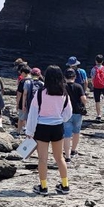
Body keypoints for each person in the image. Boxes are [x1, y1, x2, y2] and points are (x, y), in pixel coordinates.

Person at [25, 65, 72, 195]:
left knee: (42, 159)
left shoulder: (40, 93)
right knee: (60, 158)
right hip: (57, 127)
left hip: (42, 128)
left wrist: (29, 132)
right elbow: (68, 113)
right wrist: (59, 119)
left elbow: (33, 114)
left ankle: (44, 187)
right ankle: (65, 185)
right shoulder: (64, 94)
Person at [63, 68, 88, 162]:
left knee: (67, 134)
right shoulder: (78, 86)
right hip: (77, 112)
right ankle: (73, 150)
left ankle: (67, 155)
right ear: (75, 77)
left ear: (64, 77)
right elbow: (84, 99)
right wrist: (83, 105)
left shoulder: (62, 86)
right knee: (76, 132)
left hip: (66, 113)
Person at [20, 67, 43, 137]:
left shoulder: (27, 82)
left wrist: (23, 105)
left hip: (30, 104)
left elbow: (24, 94)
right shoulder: (42, 83)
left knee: (29, 118)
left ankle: (29, 133)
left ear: (31, 74)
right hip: (39, 105)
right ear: (39, 75)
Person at [89, 54, 104, 121]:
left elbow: (92, 78)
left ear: (95, 61)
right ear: (102, 61)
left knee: (97, 101)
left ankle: (98, 115)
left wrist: (93, 85)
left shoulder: (93, 69)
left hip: (96, 86)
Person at [15, 65, 31, 136]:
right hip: (32, 103)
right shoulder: (33, 81)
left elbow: (19, 94)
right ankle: (28, 132)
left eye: (21, 73)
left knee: (21, 118)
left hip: (23, 102)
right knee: (29, 118)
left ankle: (18, 132)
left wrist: (17, 103)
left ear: (24, 73)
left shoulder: (23, 81)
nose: (21, 74)